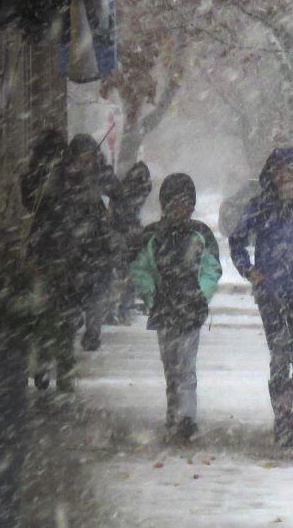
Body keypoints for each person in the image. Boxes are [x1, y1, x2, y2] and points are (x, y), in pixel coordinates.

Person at [229, 147, 293, 448]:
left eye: (288, 170)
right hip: (271, 293)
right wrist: (249, 271)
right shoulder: (260, 205)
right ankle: (283, 416)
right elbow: (237, 240)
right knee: (279, 355)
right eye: (278, 170)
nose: (283, 176)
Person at [130, 173, 222, 445]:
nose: (181, 209)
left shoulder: (200, 235)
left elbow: (211, 268)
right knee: (172, 367)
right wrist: (152, 297)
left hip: (190, 311)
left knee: (186, 367)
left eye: (185, 203)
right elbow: (140, 269)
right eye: (175, 203)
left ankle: (187, 418)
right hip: (165, 310)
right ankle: (175, 414)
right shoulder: (153, 237)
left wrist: (200, 295)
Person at [20, 129, 77, 391]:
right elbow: (32, 201)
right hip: (58, 253)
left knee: (46, 315)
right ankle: (61, 371)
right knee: (60, 317)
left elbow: (31, 203)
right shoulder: (58, 175)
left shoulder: (58, 175)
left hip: (48, 252)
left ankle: (48, 367)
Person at [65, 133, 123, 353]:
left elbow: (119, 195)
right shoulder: (67, 177)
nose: (86, 162)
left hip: (97, 245)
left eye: (89, 157)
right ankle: (71, 327)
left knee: (97, 292)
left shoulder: (101, 174)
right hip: (72, 246)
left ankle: (92, 333)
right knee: (72, 293)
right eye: (82, 158)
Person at [111, 161, 153, 323]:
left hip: (125, 237)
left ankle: (120, 308)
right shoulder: (129, 195)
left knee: (126, 273)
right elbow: (124, 216)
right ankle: (122, 308)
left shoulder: (127, 192)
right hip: (123, 237)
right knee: (128, 273)